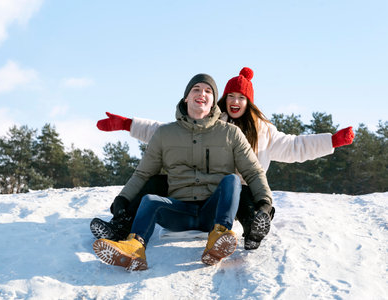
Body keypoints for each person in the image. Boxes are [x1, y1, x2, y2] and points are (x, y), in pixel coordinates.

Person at [91, 67, 355, 250]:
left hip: (238, 189)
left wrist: (331, 141)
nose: (235, 101)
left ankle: (254, 229)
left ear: (249, 102)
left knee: (240, 189)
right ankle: (124, 224)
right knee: (155, 183)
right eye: (231, 96)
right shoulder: (210, 121)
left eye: (242, 97)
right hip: (202, 189)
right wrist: (127, 124)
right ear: (223, 99)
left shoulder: (263, 131)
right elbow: (164, 133)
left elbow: (296, 146)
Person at [92, 73, 273, 271]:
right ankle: (134, 247)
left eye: (208, 91)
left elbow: (254, 172)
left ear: (214, 101)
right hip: (178, 211)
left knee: (233, 180)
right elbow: (142, 174)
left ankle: (219, 237)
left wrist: (265, 204)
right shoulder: (165, 134)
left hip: (213, 211)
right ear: (186, 97)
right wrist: (123, 199)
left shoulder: (230, 133)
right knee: (150, 200)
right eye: (196, 89)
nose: (202, 93)